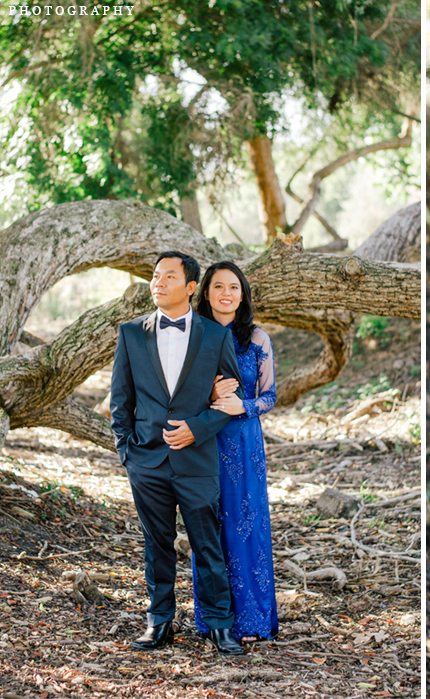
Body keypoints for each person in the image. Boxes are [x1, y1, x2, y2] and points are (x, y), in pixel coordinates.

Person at [110, 250, 244, 655]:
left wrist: (196, 429)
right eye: (155, 276)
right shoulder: (131, 333)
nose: (158, 282)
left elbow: (230, 399)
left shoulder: (216, 335)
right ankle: (159, 621)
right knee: (156, 543)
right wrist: (126, 454)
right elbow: (121, 400)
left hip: (198, 460)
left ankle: (220, 625)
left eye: (168, 276)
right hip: (146, 461)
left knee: (208, 544)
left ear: (189, 287)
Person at [192, 260, 279, 643]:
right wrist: (209, 396)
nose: (226, 294)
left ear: (242, 296)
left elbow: (270, 396)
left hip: (243, 442)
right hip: (204, 442)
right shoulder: (193, 336)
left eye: (234, 288)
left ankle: (252, 621)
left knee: (245, 524)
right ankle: (213, 618)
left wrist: (243, 406)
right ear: (206, 292)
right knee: (207, 526)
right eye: (218, 287)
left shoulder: (256, 339)